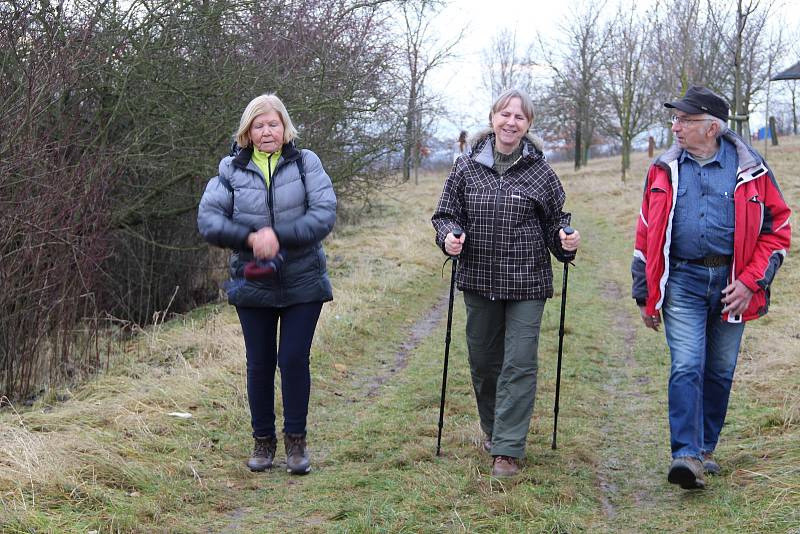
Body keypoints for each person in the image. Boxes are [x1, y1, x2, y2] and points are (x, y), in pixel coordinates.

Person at [631, 85, 791, 490]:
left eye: (685, 120)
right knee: (686, 365)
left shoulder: (751, 170)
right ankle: (684, 455)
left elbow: (778, 231)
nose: (676, 126)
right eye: (675, 119)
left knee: (719, 370)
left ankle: (704, 450)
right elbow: (645, 232)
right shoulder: (662, 169)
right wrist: (644, 293)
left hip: (733, 284)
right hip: (682, 280)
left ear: (713, 127)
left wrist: (750, 282)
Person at [432, 88, 581, 477]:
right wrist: (449, 237)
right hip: (479, 279)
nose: (511, 122)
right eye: (505, 114)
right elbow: (445, 215)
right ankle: (494, 429)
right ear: (493, 118)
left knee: (519, 363)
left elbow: (556, 224)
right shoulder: (466, 167)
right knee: (483, 363)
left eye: (519, 117)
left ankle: (508, 449)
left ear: (528, 124)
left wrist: (566, 242)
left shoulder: (541, 172)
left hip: (527, 283)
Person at [198, 94, 337, 475]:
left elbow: (324, 214)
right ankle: (263, 444)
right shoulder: (230, 171)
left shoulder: (308, 163)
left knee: (293, 360)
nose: (266, 132)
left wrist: (278, 236)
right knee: (259, 364)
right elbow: (209, 219)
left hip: (303, 279)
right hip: (252, 281)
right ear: (247, 132)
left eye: (273, 124)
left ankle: (296, 444)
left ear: (285, 127)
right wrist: (251, 239)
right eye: (258, 126)